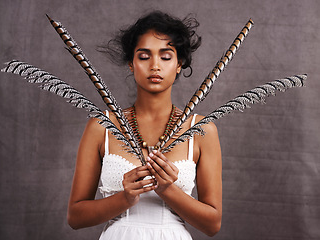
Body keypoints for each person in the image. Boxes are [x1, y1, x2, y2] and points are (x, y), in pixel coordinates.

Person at [67, 11, 222, 239]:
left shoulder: (201, 130)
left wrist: (168, 190)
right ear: (131, 64)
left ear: (179, 64)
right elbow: (76, 217)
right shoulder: (101, 126)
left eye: (166, 56)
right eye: (144, 56)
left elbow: (212, 224)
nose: (155, 65)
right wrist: (125, 198)